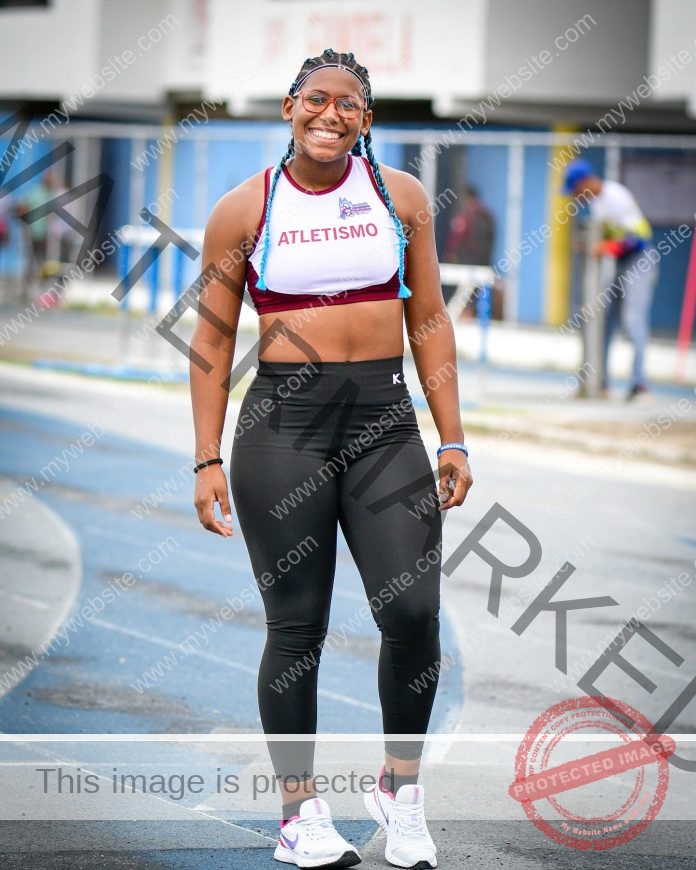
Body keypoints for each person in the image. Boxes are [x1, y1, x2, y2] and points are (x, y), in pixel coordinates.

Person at [190, 48, 473, 869]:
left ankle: (400, 788)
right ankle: (297, 813)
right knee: (297, 627)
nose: (331, 114)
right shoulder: (244, 210)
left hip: (384, 423)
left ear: (366, 119)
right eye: (317, 99)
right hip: (283, 428)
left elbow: (429, 322)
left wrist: (450, 435)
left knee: (413, 613)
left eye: (349, 104)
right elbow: (210, 340)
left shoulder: (400, 197)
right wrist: (205, 459)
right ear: (289, 108)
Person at [562, 159, 657, 400]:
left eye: (575, 191)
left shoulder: (616, 196)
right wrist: (590, 244)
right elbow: (605, 240)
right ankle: (600, 382)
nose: (575, 197)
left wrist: (606, 246)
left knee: (632, 318)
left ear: (584, 183)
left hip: (640, 260)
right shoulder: (596, 205)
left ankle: (640, 384)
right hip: (619, 264)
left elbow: (640, 238)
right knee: (604, 321)